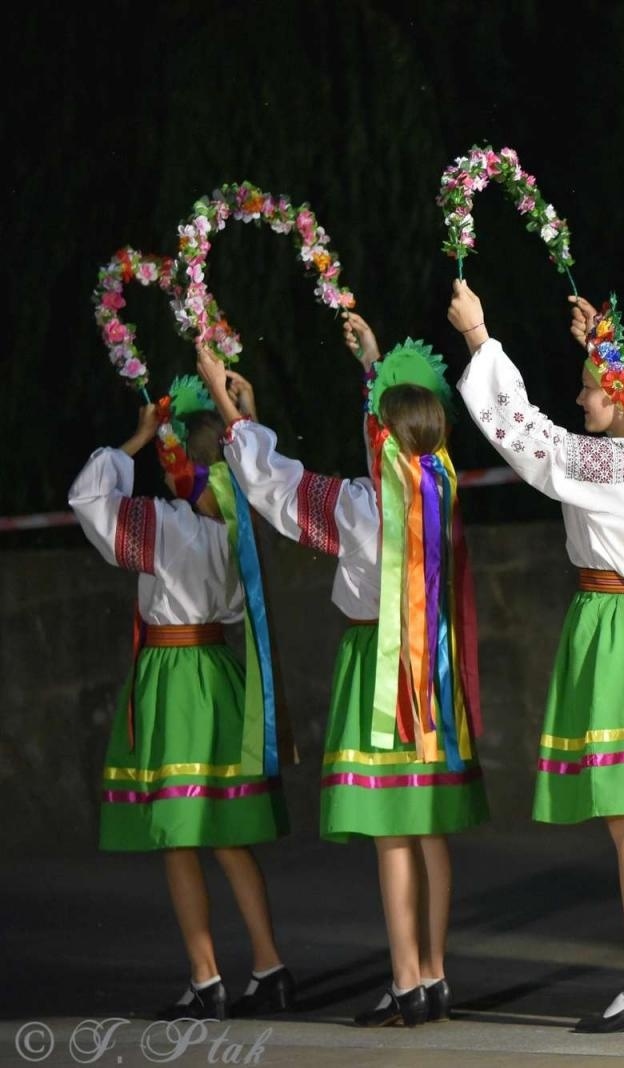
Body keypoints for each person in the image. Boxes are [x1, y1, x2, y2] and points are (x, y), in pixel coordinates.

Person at [454, 281, 624, 1033]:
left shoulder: (616, 464)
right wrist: (598, 348)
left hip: (621, 633)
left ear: (619, 395)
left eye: (590, 389)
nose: (580, 400)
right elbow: (599, 421)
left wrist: (480, 337)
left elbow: (528, 438)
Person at [197, 316, 489, 1028]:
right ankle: (435, 976)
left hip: (382, 665)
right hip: (432, 666)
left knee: (392, 829)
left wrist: (233, 413)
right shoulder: (437, 488)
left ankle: (406, 982)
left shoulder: (362, 510)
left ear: (386, 440)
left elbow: (278, 488)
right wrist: (373, 365)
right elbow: (382, 444)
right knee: (428, 828)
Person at [68, 378, 292, 1020]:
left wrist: (137, 437)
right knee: (228, 834)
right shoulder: (239, 525)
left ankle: (205, 977)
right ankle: (270, 967)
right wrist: (246, 419)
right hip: (219, 671)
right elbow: (255, 479)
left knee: (178, 835)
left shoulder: (163, 525)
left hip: (172, 675)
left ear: (180, 466)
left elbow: (88, 496)